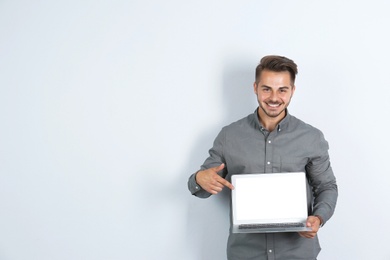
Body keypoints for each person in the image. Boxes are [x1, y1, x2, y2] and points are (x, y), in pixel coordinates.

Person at [187, 55, 338, 260]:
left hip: (297, 253)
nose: (274, 97)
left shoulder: (311, 138)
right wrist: (199, 179)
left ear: (292, 90)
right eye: (266, 89)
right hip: (246, 254)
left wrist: (318, 218)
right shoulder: (229, 136)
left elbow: (327, 186)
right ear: (255, 87)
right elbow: (204, 183)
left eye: (282, 90)